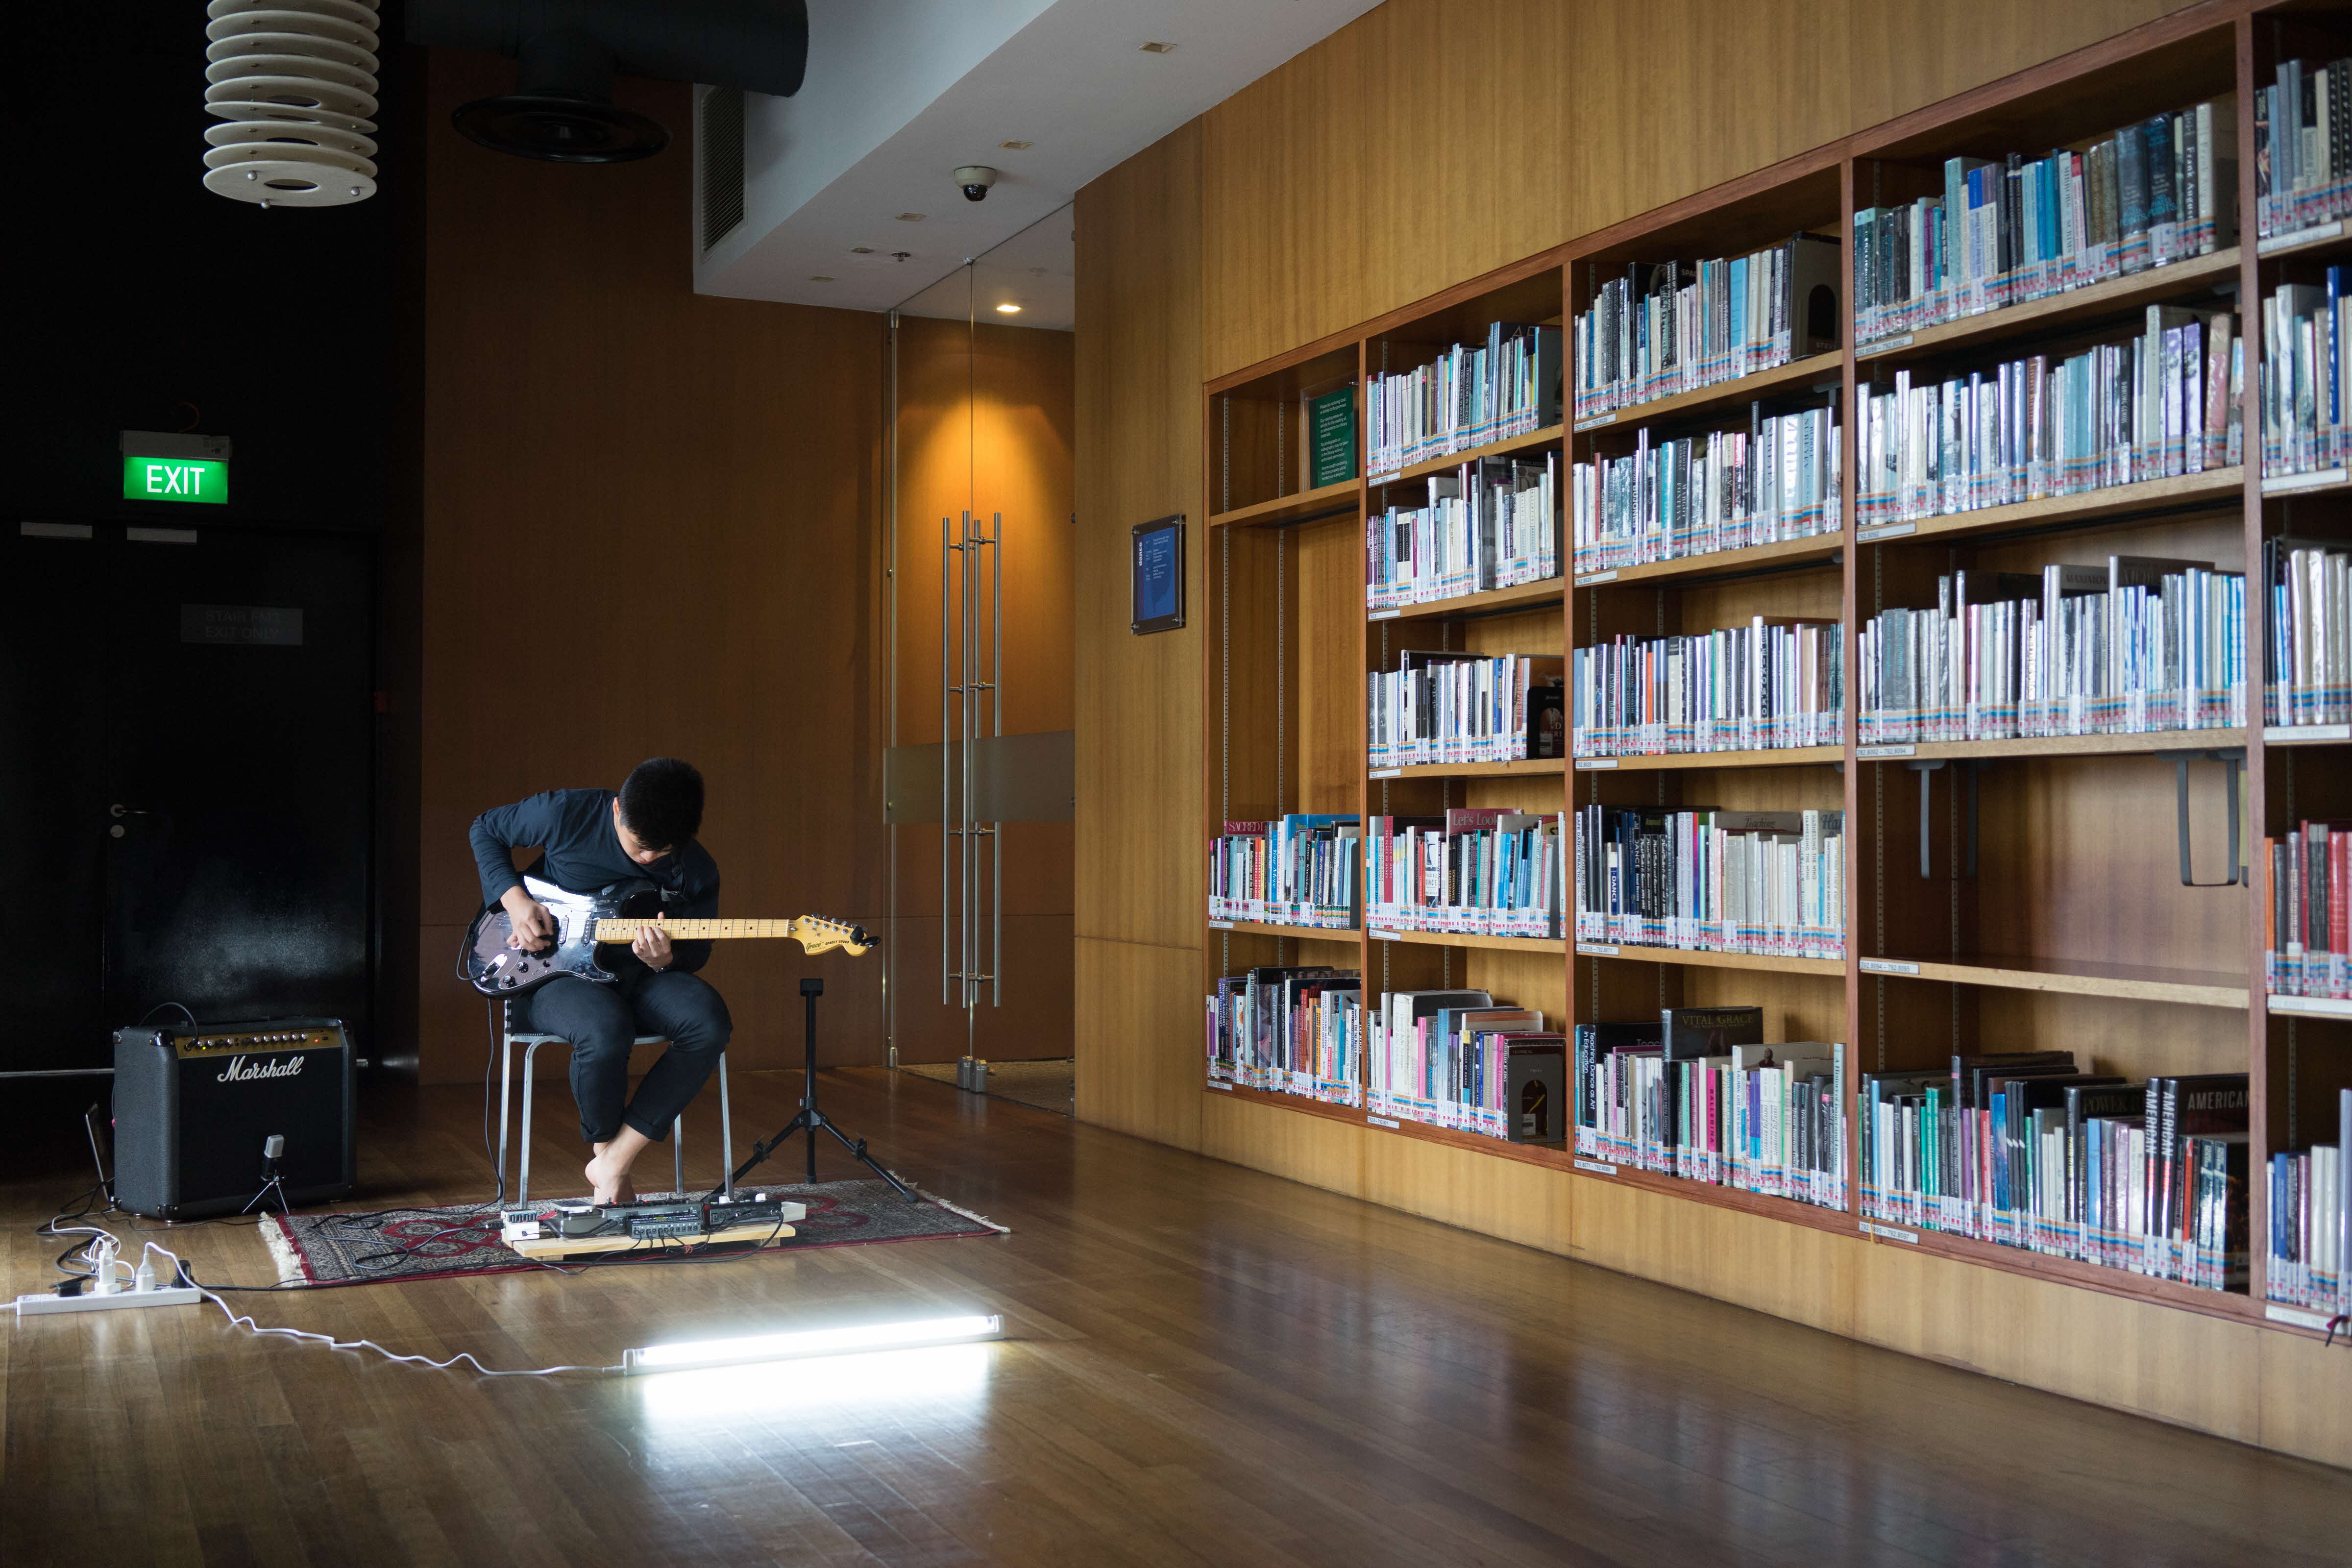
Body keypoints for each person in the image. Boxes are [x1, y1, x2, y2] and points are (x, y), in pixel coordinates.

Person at [469, 758, 727, 1204]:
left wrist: (667, 959)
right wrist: (514, 902)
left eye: (659, 852)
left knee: (709, 1023)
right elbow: (485, 829)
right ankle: (611, 1164)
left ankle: (612, 1162)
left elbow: (697, 954)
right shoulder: (568, 812)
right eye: (637, 846)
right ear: (614, 811)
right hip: (555, 971)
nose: (646, 858)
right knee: (605, 1029)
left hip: (644, 975)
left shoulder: (697, 870)